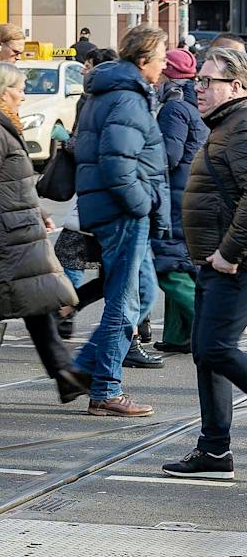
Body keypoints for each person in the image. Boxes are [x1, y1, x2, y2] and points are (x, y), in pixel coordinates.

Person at [0, 62, 88, 401]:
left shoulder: (3, 123)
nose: (24, 95)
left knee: (36, 300)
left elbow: (14, 183)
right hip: (4, 234)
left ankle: (64, 372)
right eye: (20, 88)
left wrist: (38, 211)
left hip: (17, 228)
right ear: (3, 91)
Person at [70, 25, 171, 417]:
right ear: (143, 60)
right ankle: (105, 388)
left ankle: (82, 370)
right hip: (123, 213)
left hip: (115, 210)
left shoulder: (114, 90)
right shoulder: (128, 97)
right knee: (124, 301)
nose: (163, 66)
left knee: (143, 295)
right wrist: (143, 203)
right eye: (161, 58)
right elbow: (117, 164)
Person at [165, 44, 247, 477]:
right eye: (198, 80)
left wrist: (230, 253)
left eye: (208, 82)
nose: (198, 88)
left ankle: (214, 448)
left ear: (235, 86)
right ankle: (214, 450)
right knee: (205, 351)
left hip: (233, 263)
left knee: (215, 348)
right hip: (212, 260)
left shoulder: (241, 126)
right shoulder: (224, 124)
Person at [154, 46, 207, 354]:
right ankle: (177, 335)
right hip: (191, 190)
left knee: (167, 263)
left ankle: (205, 326)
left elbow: (169, 156)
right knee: (179, 260)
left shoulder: (174, 108)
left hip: (175, 194)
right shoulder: (194, 102)